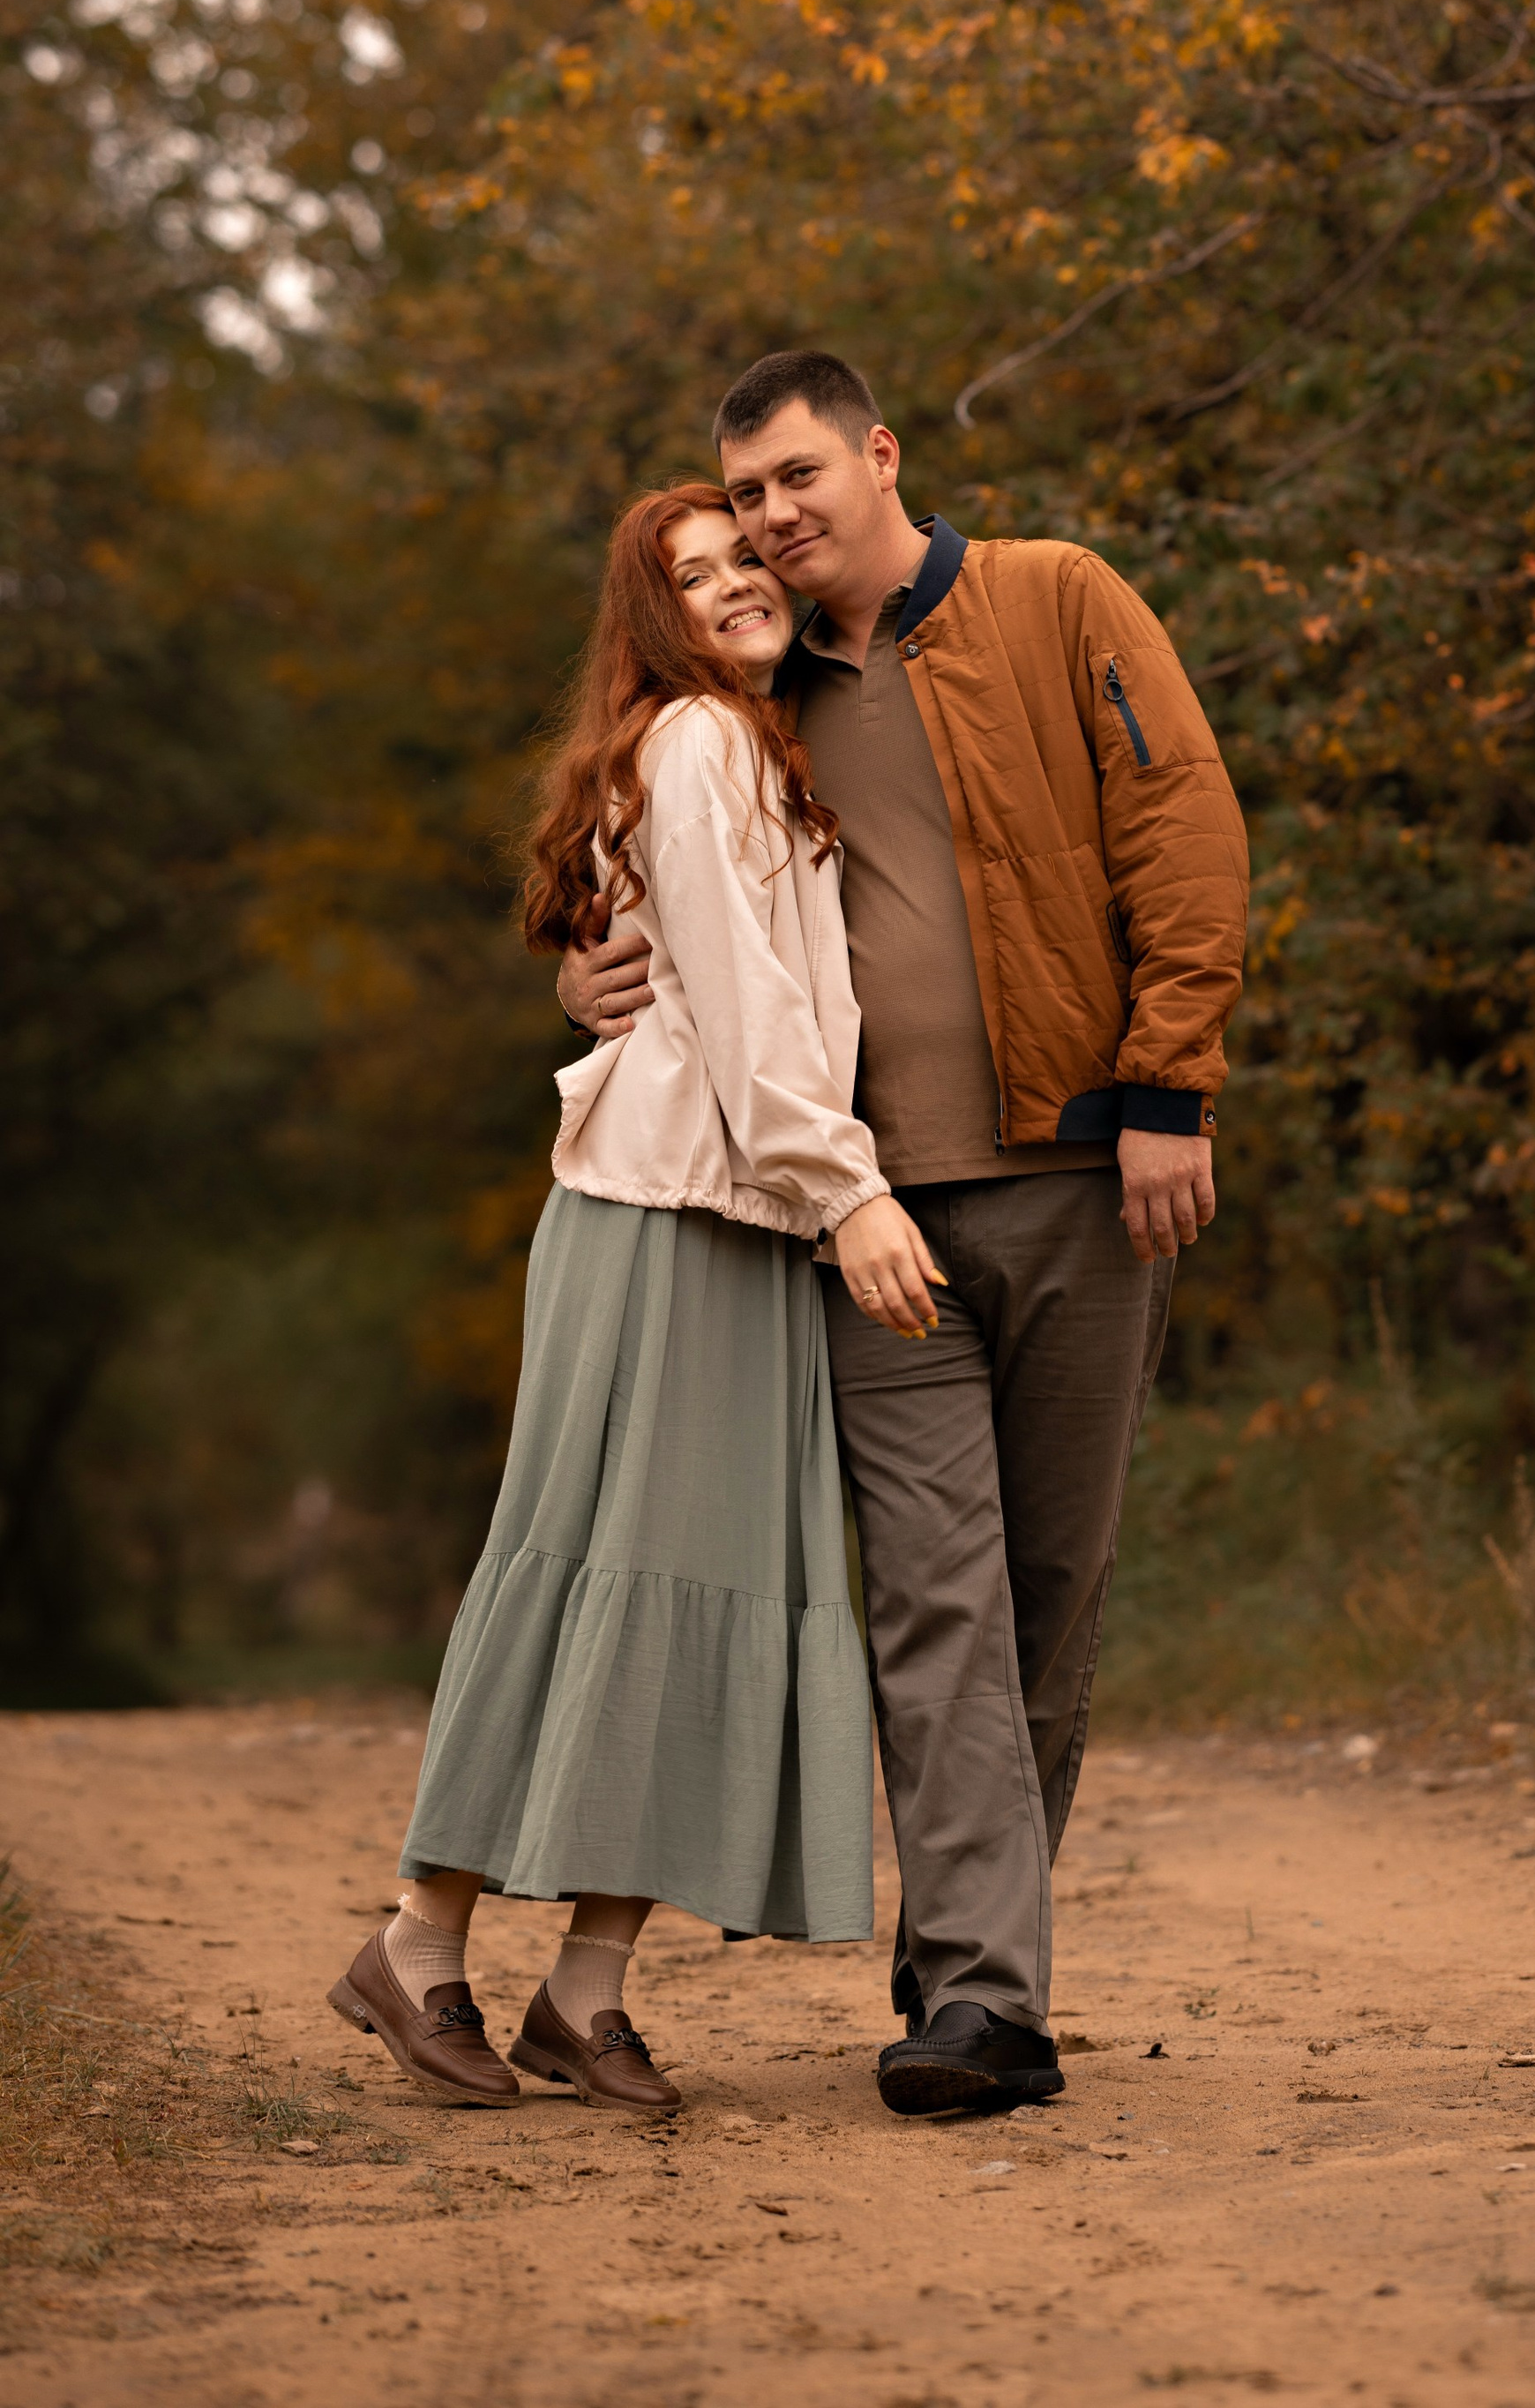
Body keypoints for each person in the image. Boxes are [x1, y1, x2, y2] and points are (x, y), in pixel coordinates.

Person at [560, 350, 1248, 2119]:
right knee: (936, 1596)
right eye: (747, 494)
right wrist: (586, 963)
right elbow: (661, 867)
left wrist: (1169, 1085)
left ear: (877, 456)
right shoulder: (756, 689)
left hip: (1084, 1173)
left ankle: (961, 1946)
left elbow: (1181, 826)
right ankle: (985, 2000)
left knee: (1047, 1596)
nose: (774, 518)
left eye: (797, 478)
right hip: (866, 1216)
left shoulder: (1053, 596)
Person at [330, 483, 940, 2112]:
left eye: (747, 555)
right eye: (697, 572)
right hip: (665, 1211)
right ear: (654, 616)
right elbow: (743, 1010)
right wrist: (854, 1190)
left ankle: (585, 1988)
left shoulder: (760, 742)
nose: (737, 581)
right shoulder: (698, 740)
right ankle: (415, 1940)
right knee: (590, 1572)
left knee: (705, 1595)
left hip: (749, 1218)